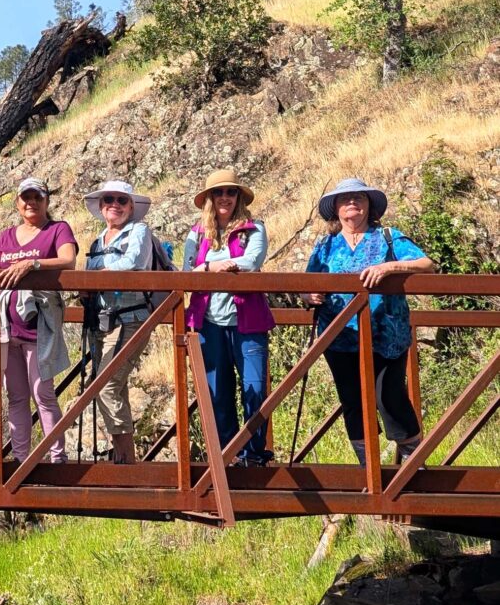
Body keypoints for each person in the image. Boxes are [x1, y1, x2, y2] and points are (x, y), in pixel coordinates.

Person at [304, 177, 435, 464]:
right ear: (336, 209)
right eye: (345, 199)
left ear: (369, 206)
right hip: (338, 336)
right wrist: (308, 295)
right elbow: (308, 282)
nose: (352, 203)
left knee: (389, 397)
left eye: (359, 198)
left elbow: (427, 264)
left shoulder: (387, 236)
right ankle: (370, 472)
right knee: (353, 402)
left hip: (386, 334)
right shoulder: (326, 246)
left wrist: (388, 267)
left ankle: (414, 467)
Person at [182, 169, 275, 466]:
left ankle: (253, 453)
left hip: (247, 319)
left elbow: (251, 262)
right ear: (209, 198)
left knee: (255, 387)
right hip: (207, 321)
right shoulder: (195, 234)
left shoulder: (254, 229)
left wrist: (207, 267)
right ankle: (228, 455)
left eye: (231, 192)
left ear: (238, 197)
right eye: (219, 193)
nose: (225, 198)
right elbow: (186, 274)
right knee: (216, 392)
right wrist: (220, 267)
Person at [0, 177, 78, 464]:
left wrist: (33, 263)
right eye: (25, 197)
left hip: (40, 327)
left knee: (43, 393)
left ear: (46, 201)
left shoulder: (57, 229)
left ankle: (56, 458)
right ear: (17, 202)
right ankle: (21, 460)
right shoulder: (6, 236)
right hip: (8, 327)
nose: (31, 203)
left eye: (37, 197)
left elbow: (69, 260)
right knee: (16, 396)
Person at [82, 180, 155, 465]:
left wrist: (95, 278)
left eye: (122, 200)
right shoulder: (97, 242)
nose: (115, 205)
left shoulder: (139, 231)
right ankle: (125, 457)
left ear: (131, 207)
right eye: (109, 199)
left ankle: (125, 461)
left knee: (107, 386)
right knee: (116, 386)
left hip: (131, 319)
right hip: (101, 323)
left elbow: (133, 263)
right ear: (101, 207)